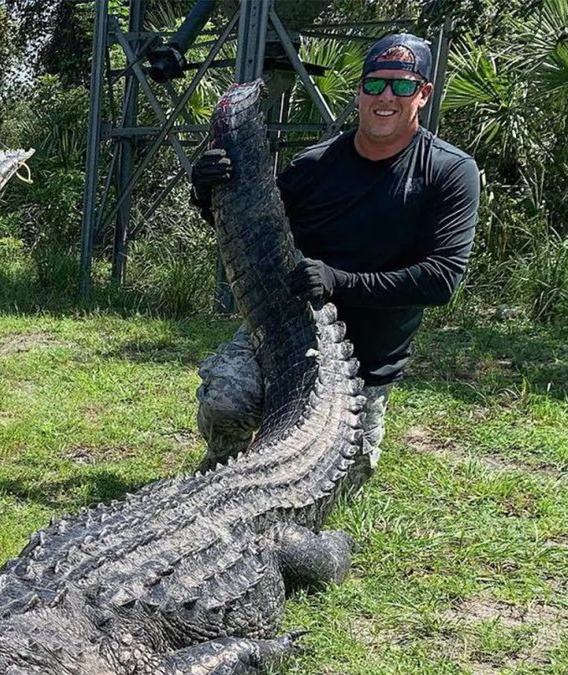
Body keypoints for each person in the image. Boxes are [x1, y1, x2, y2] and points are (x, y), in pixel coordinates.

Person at [190, 33, 480, 488]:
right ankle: (222, 467)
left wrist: (338, 280)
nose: (386, 97)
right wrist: (210, 194)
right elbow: (257, 239)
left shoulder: (448, 171)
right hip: (286, 330)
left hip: (366, 358)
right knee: (226, 403)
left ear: (422, 93)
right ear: (360, 91)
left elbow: (440, 279)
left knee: (335, 489)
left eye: (402, 86)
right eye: (375, 84)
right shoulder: (315, 165)